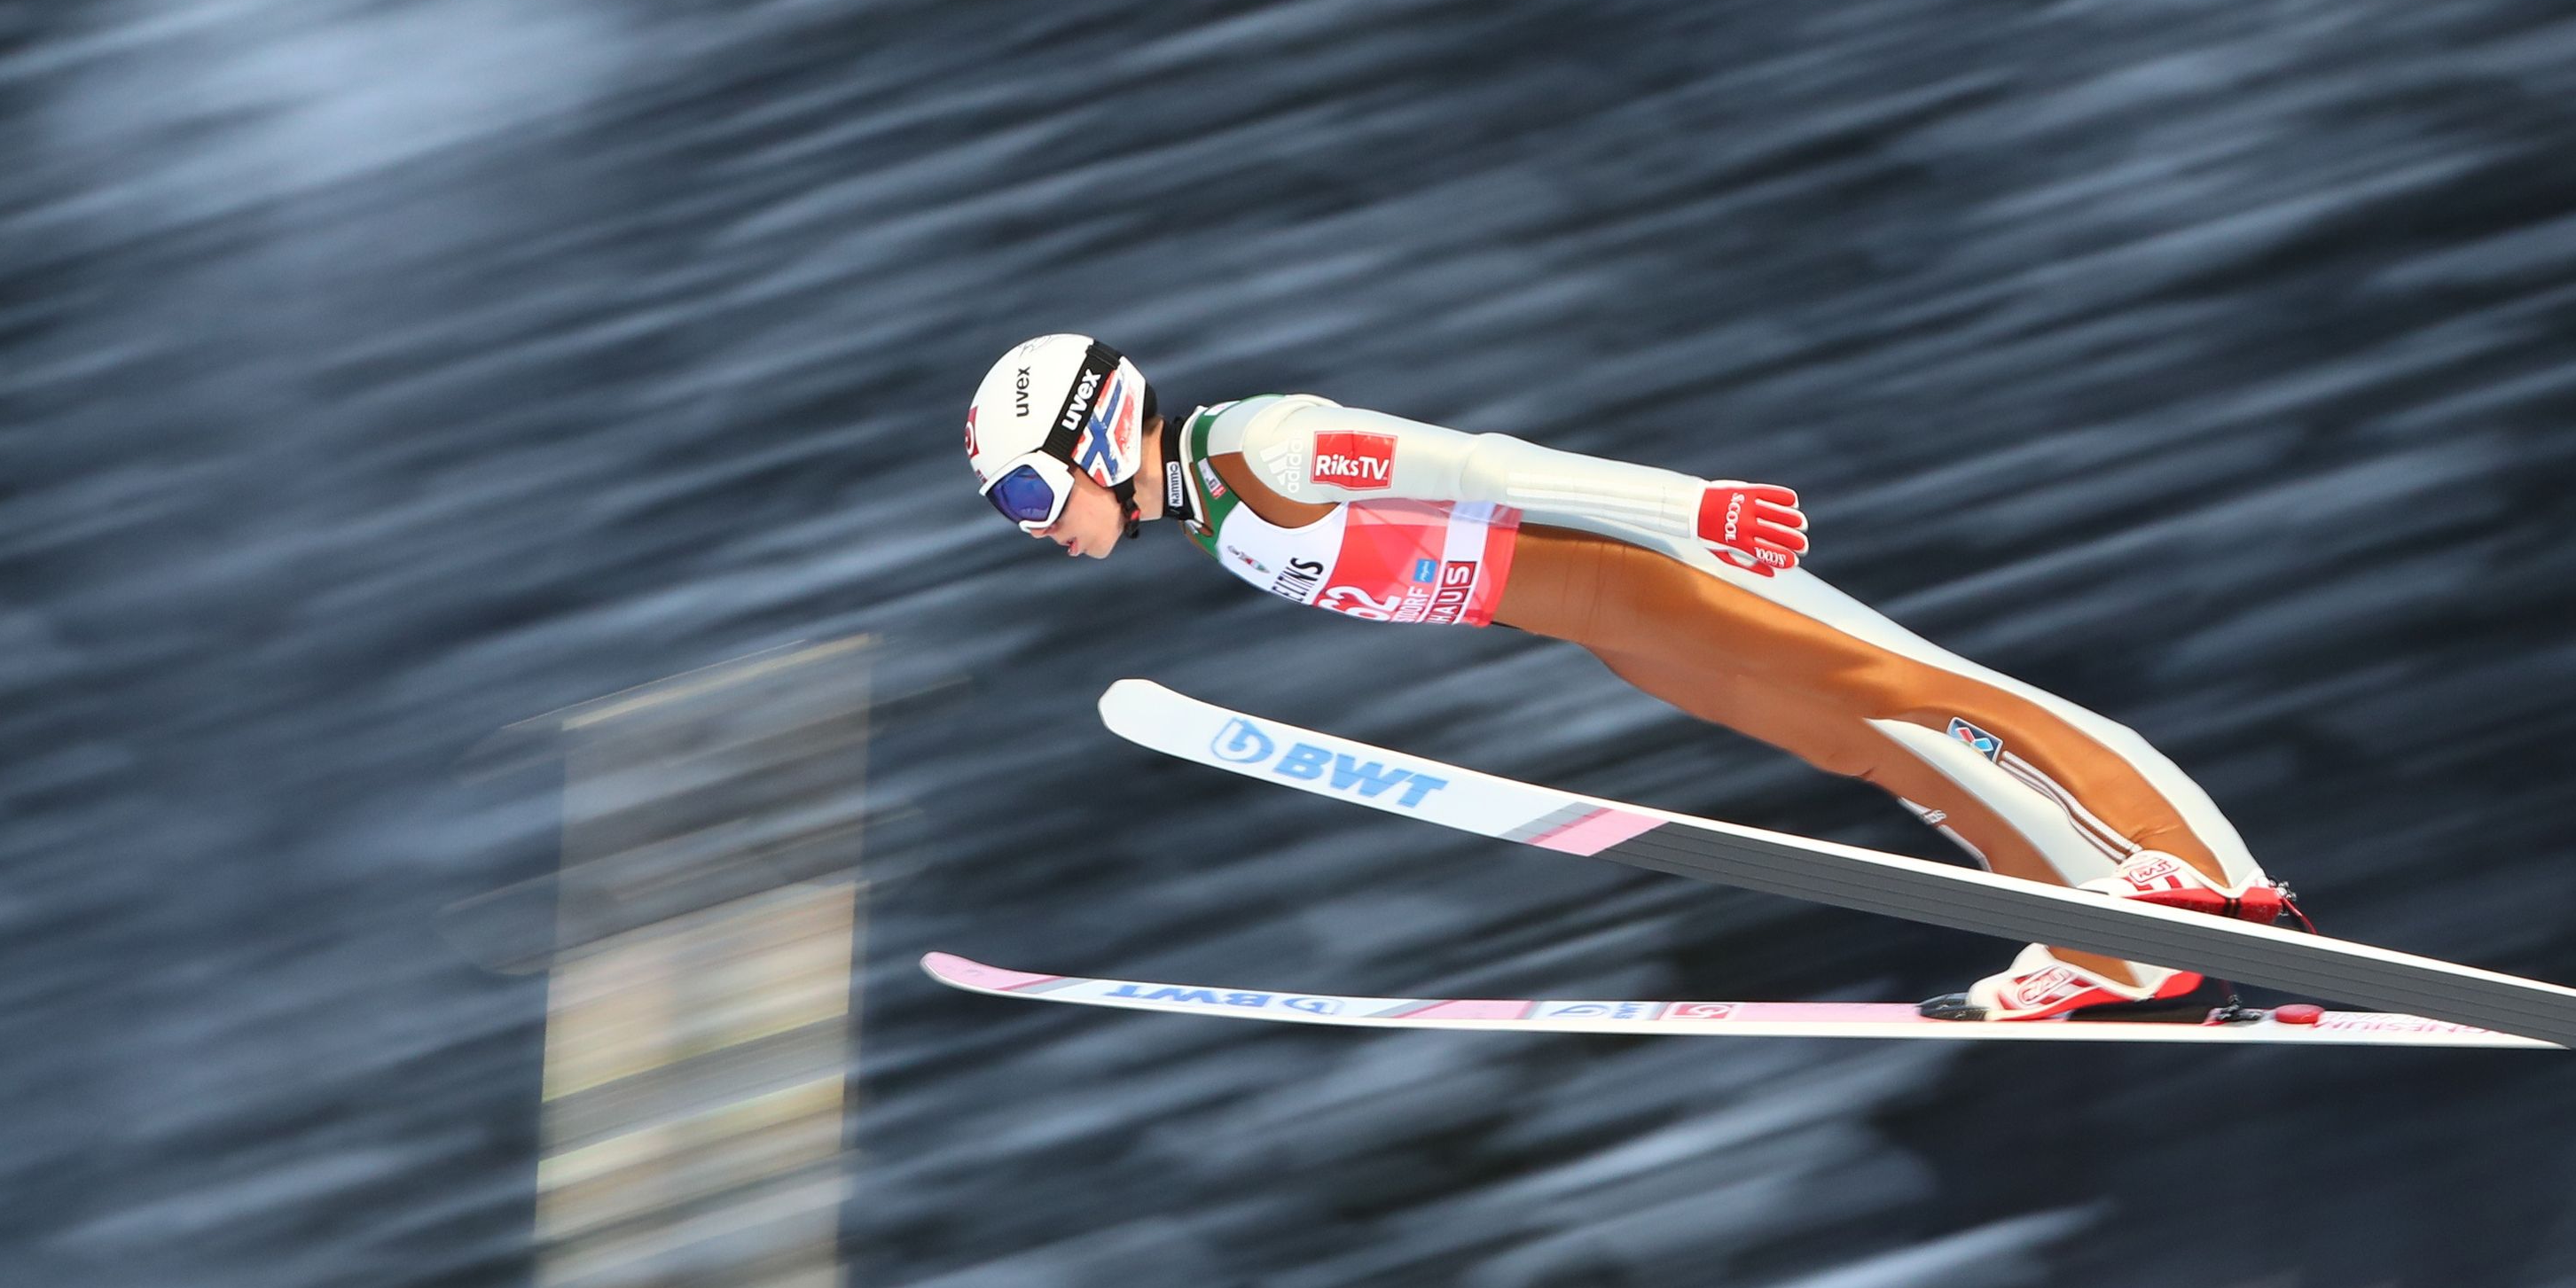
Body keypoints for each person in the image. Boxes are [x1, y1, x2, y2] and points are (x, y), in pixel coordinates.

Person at [963, 333, 2303, 1021]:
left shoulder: (1268, 447)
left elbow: (1478, 464)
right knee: (1872, 742)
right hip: (1608, 619)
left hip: (1644, 566)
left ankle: (2182, 870)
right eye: (1007, 506)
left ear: (1096, 431)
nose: (1033, 523)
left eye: (1029, 486)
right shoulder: (1213, 514)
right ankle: (2107, 945)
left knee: (1905, 686)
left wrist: (1688, 508)